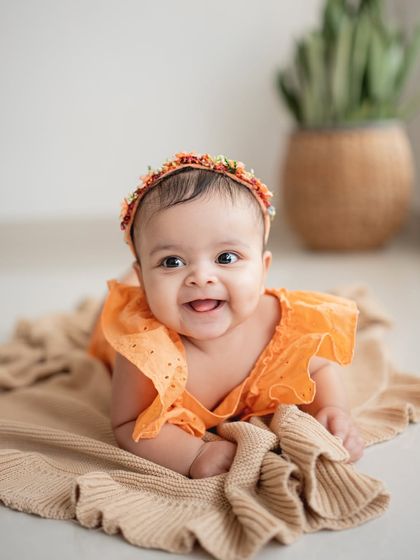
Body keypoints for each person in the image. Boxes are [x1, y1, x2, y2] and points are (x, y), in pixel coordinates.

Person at [88, 151, 364, 479]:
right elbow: (128, 422)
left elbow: (318, 367)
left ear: (263, 271)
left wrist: (332, 409)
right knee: (103, 316)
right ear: (146, 280)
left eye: (226, 257)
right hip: (116, 332)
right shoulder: (143, 347)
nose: (201, 277)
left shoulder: (283, 323)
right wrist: (195, 454)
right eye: (172, 262)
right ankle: (122, 288)